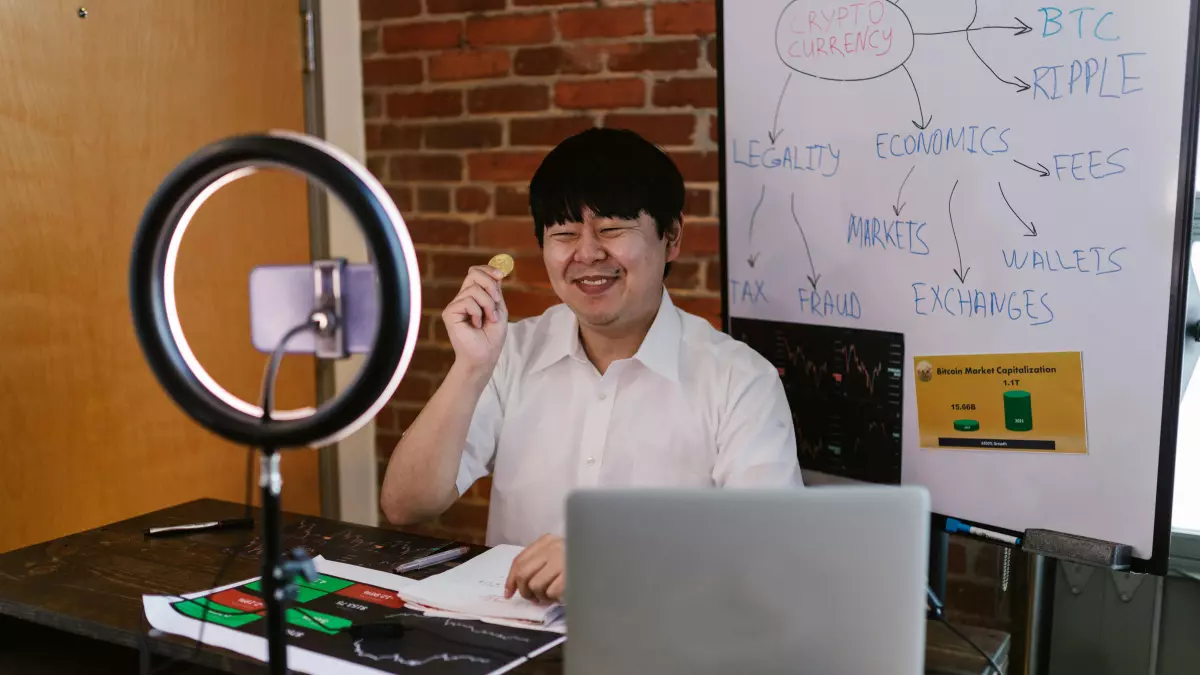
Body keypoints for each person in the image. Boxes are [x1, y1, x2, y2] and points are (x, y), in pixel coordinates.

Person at [380, 128, 802, 605]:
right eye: (563, 234)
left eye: (611, 229)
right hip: (515, 644)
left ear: (672, 236)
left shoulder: (740, 380)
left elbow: (771, 554)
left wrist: (608, 556)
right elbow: (405, 505)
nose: (586, 254)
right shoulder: (511, 352)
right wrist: (471, 369)